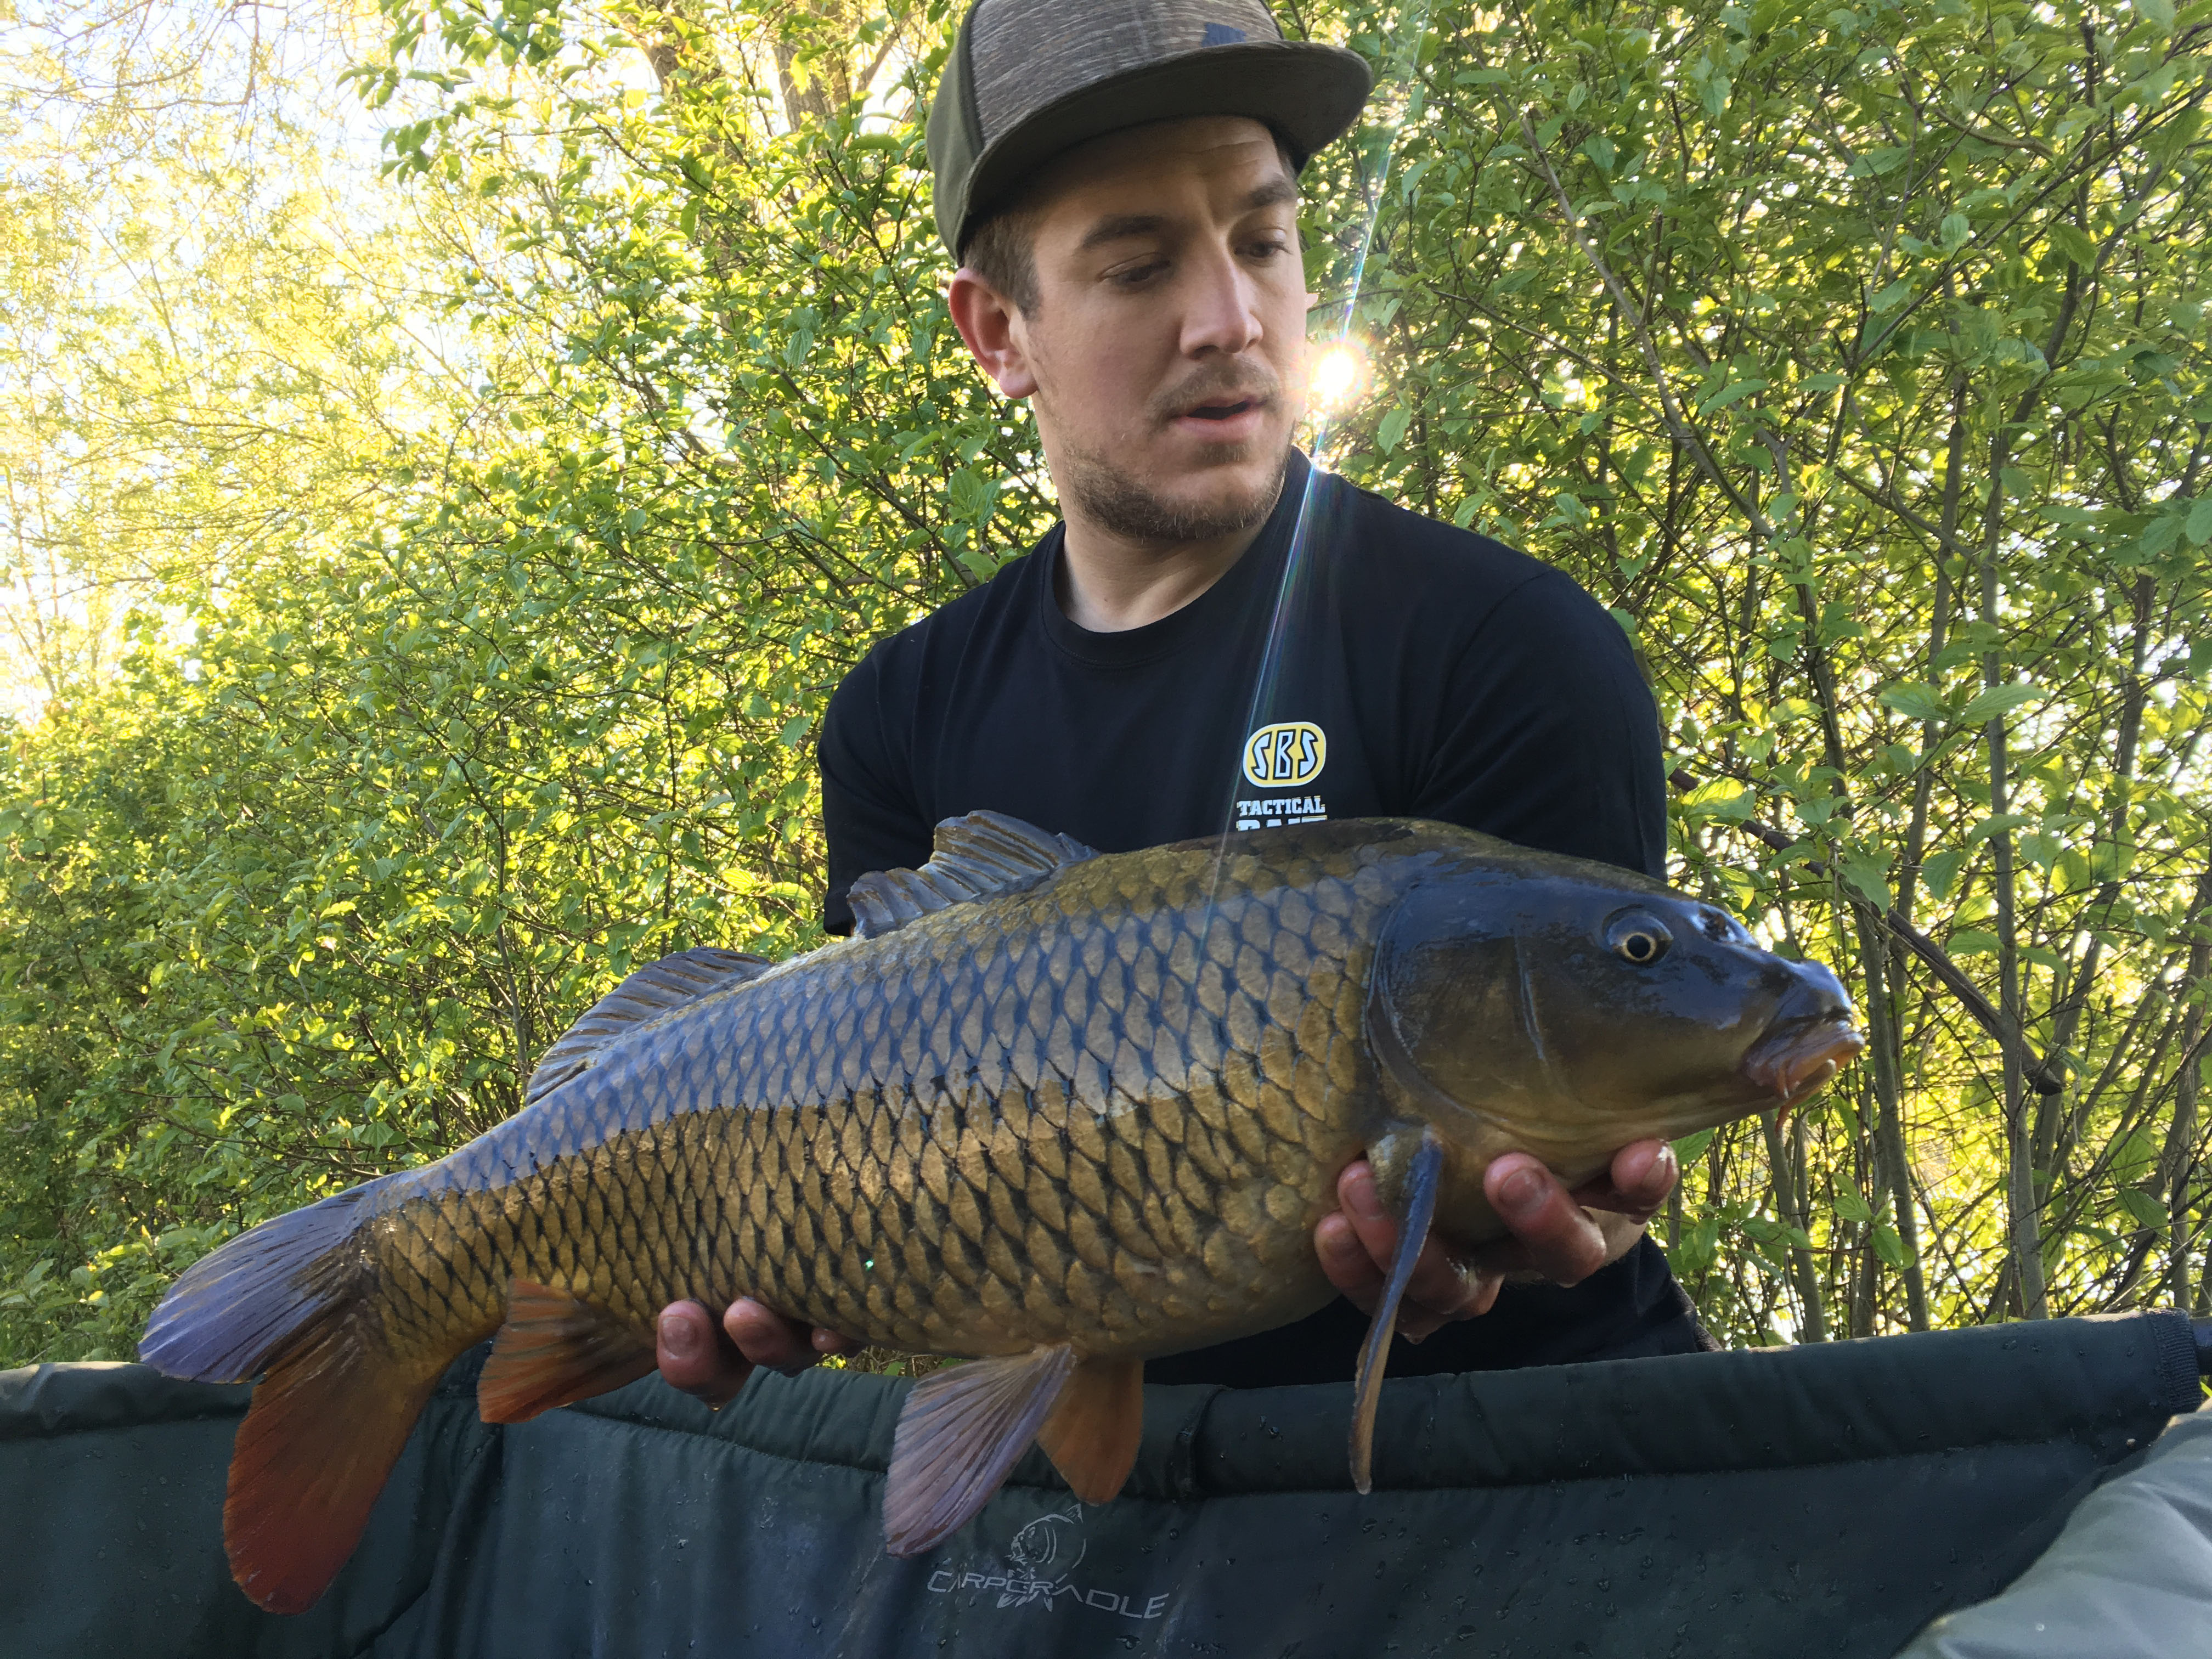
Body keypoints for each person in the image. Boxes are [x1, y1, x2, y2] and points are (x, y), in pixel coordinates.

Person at [656, 0, 1700, 1402]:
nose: (1232, 320)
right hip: (1107, 1507)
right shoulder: (900, 713)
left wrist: (1593, 1210)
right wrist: (807, 1262)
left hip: (1515, 1460)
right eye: (1141, 266)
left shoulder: (1508, 647)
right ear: (998, 333)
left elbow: (1605, 1147)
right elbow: (883, 1157)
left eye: (1265, 243)